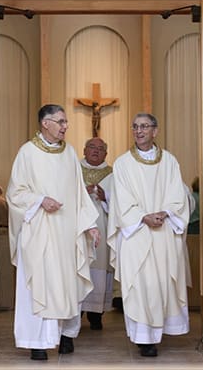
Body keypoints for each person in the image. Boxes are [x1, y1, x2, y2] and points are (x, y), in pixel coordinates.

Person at [6, 104, 101, 361]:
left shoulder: (69, 153)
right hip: (39, 232)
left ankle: (65, 335)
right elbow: (15, 193)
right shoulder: (27, 152)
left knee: (67, 283)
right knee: (40, 284)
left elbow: (80, 192)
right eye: (60, 121)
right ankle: (37, 341)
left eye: (66, 121)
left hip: (67, 232)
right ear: (45, 123)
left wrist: (90, 224)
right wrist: (40, 200)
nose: (65, 126)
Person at [107, 113, 190, 357]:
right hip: (137, 234)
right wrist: (143, 216)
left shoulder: (170, 162)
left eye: (144, 126)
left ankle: (161, 331)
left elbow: (178, 195)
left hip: (164, 231)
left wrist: (164, 213)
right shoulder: (123, 163)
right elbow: (121, 199)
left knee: (162, 282)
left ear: (155, 131)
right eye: (135, 127)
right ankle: (145, 339)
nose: (139, 131)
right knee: (141, 284)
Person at [80, 137, 114, 330]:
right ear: (84, 150)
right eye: (92, 147)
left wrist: (106, 197)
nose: (95, 151)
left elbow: (121, 201)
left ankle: (96, 313)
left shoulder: (113, 174)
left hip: (103, 224)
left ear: (105, 154)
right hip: (80, 227)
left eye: (100, 148)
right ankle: (79, 310)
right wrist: (81, 194)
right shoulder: (74, 169)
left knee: (100, 267)